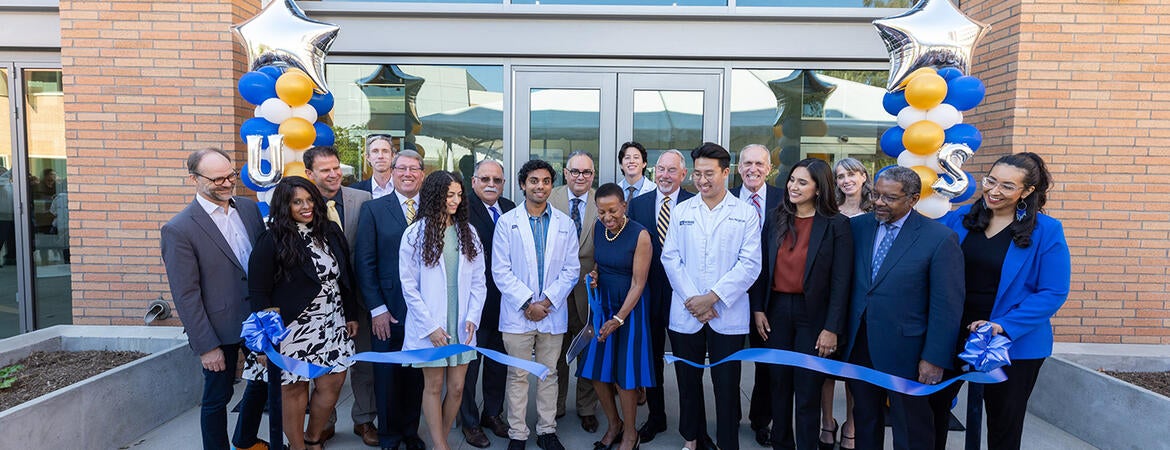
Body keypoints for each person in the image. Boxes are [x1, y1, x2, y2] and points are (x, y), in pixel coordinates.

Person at [935, 153, 1070, 450]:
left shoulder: (1047, 231)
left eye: (1007, 186)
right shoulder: (958, 219)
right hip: (951, 333)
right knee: (930, 413)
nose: (994, 191)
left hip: (1011, 343)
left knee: (1003, 427)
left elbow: (1053, 291)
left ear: (1028, 191)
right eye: (991, 181)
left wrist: (1003, 326)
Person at [842, 166, 964, 450]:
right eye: (876, 195)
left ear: (913, 198)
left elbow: (947, 306)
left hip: (909, 352)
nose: (879, 202)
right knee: (865, 420)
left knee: (911, 428)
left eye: (889, 198)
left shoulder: (939, 238)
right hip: (861, 345)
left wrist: (934, 357)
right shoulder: (858, 227)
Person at [159, 148, 266, 450]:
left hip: (257, 321)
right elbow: (186, 295)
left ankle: (245, 440)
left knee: (263, 383)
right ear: (193, 178)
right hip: (218, 330)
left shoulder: (248, 208)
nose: (226, 183)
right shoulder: (179, 229)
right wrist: (207, 346)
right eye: (217, 178)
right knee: (218, 398)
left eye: (230, 175)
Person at [247, 176, 359, 450]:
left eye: (310, 199)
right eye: (297, 202)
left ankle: (312, 437)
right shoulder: (271, 238)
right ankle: (297, 446)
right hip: (291, 329)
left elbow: (345, 276)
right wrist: (264, 341)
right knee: (295, 389)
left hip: (332, 324)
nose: (306, 206)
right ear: (285, 205)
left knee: (332, 383)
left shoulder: (329, 231)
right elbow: (259, 291)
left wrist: (351, 314)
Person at [662, 142, 762, 450]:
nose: (702, 180)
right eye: (697, 174)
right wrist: (696, 300)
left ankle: (727, 442)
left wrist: (714, 297)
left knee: (727, 384)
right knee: (687, 382)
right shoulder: (682, 211)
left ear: (725, 172)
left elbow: (750, 264)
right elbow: (671, 258)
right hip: (687, 310)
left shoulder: (745, 213)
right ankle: (693, 439)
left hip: (726, 313)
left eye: (710, 174)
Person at [752, 158, 853, 450]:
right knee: (779, 385)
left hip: (815, 318)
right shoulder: (775, 217)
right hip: (777, 311)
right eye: (791, 180)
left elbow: (841, 282)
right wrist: (758, 308)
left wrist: (832, 328)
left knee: (808, 390)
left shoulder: (837, 225)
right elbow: (762, 267)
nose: (793, 187)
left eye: (802, 182)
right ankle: (781, 444)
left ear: (819, 189)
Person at [493, 159, 581, 450]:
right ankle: (518, 434)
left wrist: (546, 302)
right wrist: (527, 303)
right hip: (519, 313)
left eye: (545, 181)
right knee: (517, 375)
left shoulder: (565, 224)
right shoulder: (507, 223)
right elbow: (500, 270)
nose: (539, 186)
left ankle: (546, 430)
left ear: (551, 185)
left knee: (549, 373)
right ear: (522, 185)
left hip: (551, 312)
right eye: (533, 181)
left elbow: (571, 269)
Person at [399, 170, 487, 450]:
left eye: (459, 195)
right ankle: (440, 445)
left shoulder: (468, 232)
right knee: (434, 387)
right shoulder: (415, 233)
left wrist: (473, 316)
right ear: (435, 195)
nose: (456, 200)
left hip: (461, 324)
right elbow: (408, 287)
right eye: (450, 195)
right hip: (432, 326)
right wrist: (430, 328)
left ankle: (442, 438)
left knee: (458, 388)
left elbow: (479, 282)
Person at [302, 146, 378, 446]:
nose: (333, 174)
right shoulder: (302, 203)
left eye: (336, 168)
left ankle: (364, 420)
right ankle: (324, 422)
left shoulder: (363, 200)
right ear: (310, 174)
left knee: (364, 364)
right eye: (325, 170)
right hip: (319, 305)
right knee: (322, 367)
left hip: (359, 299)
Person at [354, 149, 427, 450]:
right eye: (402, 169)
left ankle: (411, 432)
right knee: (386, 374)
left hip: (423, 309)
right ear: (393, 172)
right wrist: (377, 308)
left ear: (423, 174)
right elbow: (365, 262)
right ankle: (389, 435)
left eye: (414, 169)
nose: (408, 174)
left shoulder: (433, 209)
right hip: (387, 309)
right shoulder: (373, 209)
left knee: (416, 373)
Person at [579, 182, 656, 450]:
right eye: (601, 212)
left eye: (613, 210)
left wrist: (619, 319)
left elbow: (638, 283)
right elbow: (600, 261)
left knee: (626, 375)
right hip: (604, 306)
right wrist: (596, 275)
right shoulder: (598, 228)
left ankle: (630, 434)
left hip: (629, 311)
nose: (607, 218)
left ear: (624, 205)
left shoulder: (640, 235)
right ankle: (614, 424)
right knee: (598, 372)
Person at [626, 149, 693, 443]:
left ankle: (693, 424)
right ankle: (657, 417)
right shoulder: (638, 204)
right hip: (648, 294)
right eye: (660, 169)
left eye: (671, 170)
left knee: (687, 360)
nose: (664, 175)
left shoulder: (695, 203)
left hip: (685, 295)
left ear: (684, 174)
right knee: (651, 360)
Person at [460, 159, 517, 448]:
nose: (491, 184)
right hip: (472, 303)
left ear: (503, 183)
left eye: (496, 179)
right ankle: (468, 422)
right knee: (468, 367)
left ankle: (492, 414)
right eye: (485, 179)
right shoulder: (462, 208)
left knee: (497, 363)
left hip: (504, 303)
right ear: (473, 182)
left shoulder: (510, 208)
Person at [730, 143, 783, 446]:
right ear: (738, 168)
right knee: (730, 359)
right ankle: (731, 415)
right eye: (747, 163)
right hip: (732, 294)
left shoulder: (782, 199)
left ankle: (761, 420)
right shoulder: (726, 199)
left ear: (769, 168)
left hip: (771, 296)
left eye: (760, 164)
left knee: (766, 363)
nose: (753, 169)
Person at [549, 150, 601, 433]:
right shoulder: (550, 197)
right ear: (566, 173)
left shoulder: (602, 200)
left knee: (587, 350)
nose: (581, 177)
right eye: (575, 171)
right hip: (555, 290)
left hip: (589, 289)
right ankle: (554, 406)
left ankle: (586, 408)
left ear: (593, 176)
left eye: (587, 172)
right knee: (556, 352)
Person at [822, 157, 871, 450]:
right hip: (831, 297)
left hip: (862, 300)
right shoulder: (829, 212)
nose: (845, 180)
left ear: (864, 176)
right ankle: (827, 422)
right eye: (840, 176)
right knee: (826, 367)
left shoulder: (876, 211)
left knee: (855, 368)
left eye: (851, 174)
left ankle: (851, 426)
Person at [352, 134, 396, 199]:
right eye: (375, 151)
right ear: (368, 157)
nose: (380, 156)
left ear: (393, 156)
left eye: (385, 151)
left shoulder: (405, 188)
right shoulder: (355, 191)